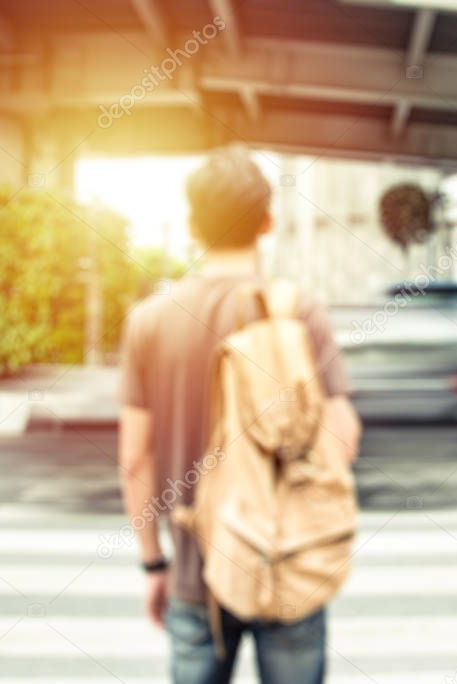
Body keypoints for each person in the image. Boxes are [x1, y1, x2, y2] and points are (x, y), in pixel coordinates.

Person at [117, 145, 361, 684]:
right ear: (268, 222)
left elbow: (136, 457)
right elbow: (343, 434)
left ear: (192, 226)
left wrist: (153, 563)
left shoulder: (150, 321)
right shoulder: (298, 310)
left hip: (192, 576)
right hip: (287, 565)